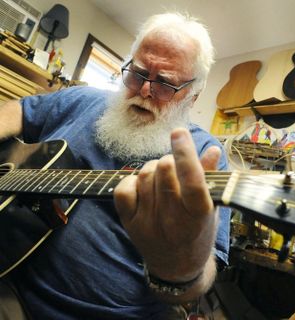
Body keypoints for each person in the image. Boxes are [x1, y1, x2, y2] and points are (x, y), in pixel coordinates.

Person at [0, 12, 230, 319]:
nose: (145, 90)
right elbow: (20, 110)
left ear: (192, 95)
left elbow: (200, 280)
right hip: (10, 277)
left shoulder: (205, 155)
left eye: (164, 84)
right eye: (138, 73)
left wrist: (179, 262)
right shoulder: (82, 100)